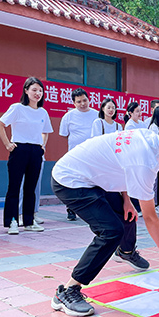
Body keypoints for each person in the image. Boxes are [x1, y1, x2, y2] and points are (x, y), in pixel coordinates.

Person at [50, 120, 159, 316]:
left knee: (126, 214)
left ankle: (126, 251)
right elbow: (150, 216)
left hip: (92, 176)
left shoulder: (150, 140)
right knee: (111, 231)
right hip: (71, 180)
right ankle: (68, 290)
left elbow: (119, 164)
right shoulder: (146, 161)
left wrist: (126, 199)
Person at [0, 77, 52, 234]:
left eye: (40, 90)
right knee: (14, 187)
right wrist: (8, 144)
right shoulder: (17, 108)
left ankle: (29, 221)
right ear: (26, 91)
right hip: (19, 149)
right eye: (34, 90)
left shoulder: (42, 112)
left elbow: (45, 131)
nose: (37, 93)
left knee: (30, 188)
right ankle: (12, 221)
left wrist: (42, 146)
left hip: (35, 151)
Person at [59, 89, 98, 221]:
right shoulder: (68, 116)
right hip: (74, 156)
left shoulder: (97, 115)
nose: (82, 104)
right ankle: (71, 209)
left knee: (91, 181)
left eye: (84, 100)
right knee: (73, 182)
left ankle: (92, 208)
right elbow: (64, 135)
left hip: (92, 155)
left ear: (89, 99)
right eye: (79, 102)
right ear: (74, 103)